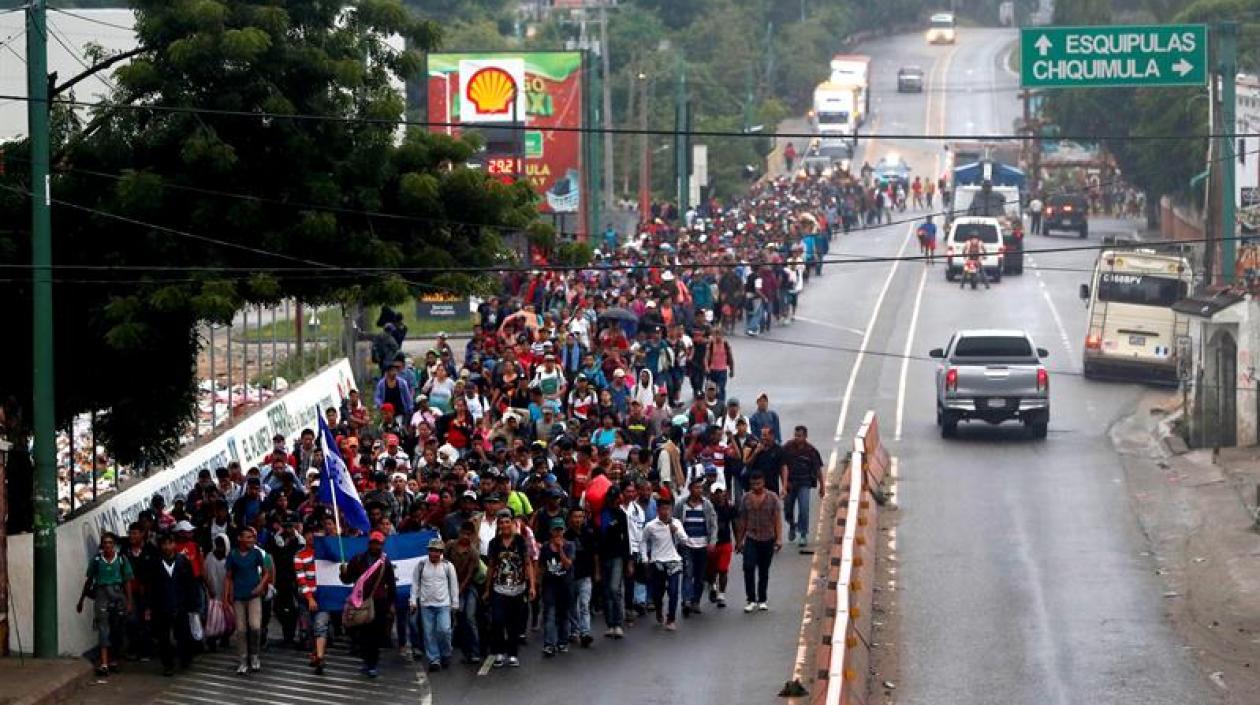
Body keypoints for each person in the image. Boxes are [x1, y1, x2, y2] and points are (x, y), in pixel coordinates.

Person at [339, 531, 398, 678]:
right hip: (360, 602)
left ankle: (372, 664)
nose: (375, 546)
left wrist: (391, 604)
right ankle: (366, 660)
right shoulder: (358, 560)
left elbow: (391, 585)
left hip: (379, 603)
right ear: (369, 543)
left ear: (382, 545)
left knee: (375, 634)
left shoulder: (385, 562)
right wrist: (343, 573)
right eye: (373, 543)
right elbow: (347, 580)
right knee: (361, 633)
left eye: (378, 543)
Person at [484, 509, 536, 669]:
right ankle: (499, 652)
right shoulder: (494, 543)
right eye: (501, 523)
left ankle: (513, 654)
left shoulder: (520, 541)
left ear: (512, 523)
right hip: (499, 589)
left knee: (514, 623)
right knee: (498, 621)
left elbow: (527, 564)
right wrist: (487, 589)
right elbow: (491, 567)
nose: (504, 525)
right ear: (498, 525)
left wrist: (532, 586)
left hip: (518, 589)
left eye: (507, 522)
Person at [77, 532, 133, 678]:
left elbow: (127, 581)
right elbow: (89, 581)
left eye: (110, 542)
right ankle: (104, 663)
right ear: (102, 545)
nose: (107, 545)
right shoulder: (96, 561)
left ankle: (114, 660)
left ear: (114, 545)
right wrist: (81, 599)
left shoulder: (121, 559)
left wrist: (129, 601)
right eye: (105, 542)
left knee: (117, 629)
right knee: (103, 629)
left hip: (118, 596)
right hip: (101, 595)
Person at [147, 532, 198, 676]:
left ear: (174, 544)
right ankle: (167, 664)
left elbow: (191, 584)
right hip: (162, 606)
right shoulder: (155, 564)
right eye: (164, 544)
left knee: (183, 635)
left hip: (180, 605)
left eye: (170, 543)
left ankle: (185, 659)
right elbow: (152, 587)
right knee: (164, 638)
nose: (167, 547)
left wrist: (192, 604)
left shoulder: (183, 561)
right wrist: (150, 607)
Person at [224, 526, 270, 675]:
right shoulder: (233, 555)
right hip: (238, 596)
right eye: (248, 537)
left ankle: (255, 655)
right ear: (240, 538)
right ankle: (243, 660)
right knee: (241, 629)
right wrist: (226, 597)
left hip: (254, 596)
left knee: (255, 626)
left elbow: (266, 572)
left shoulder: (256, 554)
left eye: (253, 537)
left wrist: (261, 586)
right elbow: (228, 577)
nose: (252, 540)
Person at [736, 470, 783, 612]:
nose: (756, 486)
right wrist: (739, 540)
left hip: (768, 538)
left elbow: (777, 519)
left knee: (763, 570)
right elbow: (742, 521)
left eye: (759, 483)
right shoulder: (746, 499)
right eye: (753, 484)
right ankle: (751, 599)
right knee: (748, 567)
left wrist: (779, 538)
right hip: (751, 537)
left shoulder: (773, 498)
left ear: (763, 482)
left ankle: (762, 599)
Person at [412, 537, 459, 672]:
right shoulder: (421, 565)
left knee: (444, 630)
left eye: (437, 551)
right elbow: (415, 583)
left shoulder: (447, 566)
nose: (434, 554)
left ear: (441, 552)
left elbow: (454, 585)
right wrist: (413, 601)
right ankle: (434, 659)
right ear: (428, 551)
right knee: (429, 634)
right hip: (426, 605)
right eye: (432, 551)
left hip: (443, 604)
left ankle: (445, 654)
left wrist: (455, 604)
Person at [642, 500, 688, 631]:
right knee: (658, 592)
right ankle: (658, 609)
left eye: (668, 509)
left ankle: (671, 618)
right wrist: (645, 559)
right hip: (657, 562)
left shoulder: (676, 523)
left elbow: (685, 540)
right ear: (658, 510)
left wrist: (676, 531)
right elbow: (643, 541)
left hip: (673, 561)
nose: (666, 512)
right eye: (663, 509)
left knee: (673, 592)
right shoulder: (650, 526)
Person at [675, 478, 717, 617]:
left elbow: (712, 524)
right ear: (690, 489)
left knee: (699, 575)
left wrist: (712, 542)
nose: (699, 490)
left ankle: (695, 601)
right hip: (687, 545)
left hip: (703, 545)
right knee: (688, 572)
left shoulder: (707, 505)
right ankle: (686, 600)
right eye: (696, 487)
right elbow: (676, 523)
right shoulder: (681, 504)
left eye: (700, 487)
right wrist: (678, 541)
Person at [445, 522, 483, 664]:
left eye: (468, 534)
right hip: (449, 586)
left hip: (468, 588)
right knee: (458, 618)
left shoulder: (473, 552)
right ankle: (463, 651)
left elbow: (470, 575)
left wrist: (459, 590)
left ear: (472, 536)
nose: (465, 537)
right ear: (459, 532)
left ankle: (474, 652)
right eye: (463, 533)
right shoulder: (450, 546)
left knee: (470, 617)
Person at [783, 425, 826, 548]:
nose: (797, 438)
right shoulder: (787, 447)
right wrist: (784, 484)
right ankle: (792, 525)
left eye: (800, 436)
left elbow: (818, 470)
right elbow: (781, 464)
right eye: (795, 435)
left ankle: (803, 533)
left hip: (804, 484)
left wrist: (822, 486)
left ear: (805, 436)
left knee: (804, 508)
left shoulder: (811, 451)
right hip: (790, 484)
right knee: (787, 508)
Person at [539, 516, 575, 657]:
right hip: (550, 585)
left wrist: (560, 550)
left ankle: (562, 642)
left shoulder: (570, 546)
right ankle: (549, 644)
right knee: (550, 614)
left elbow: (567, 565)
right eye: (556, 530)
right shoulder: (545, 547)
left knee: (563, 615)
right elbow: (541, 566)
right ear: (551, 531)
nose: (558, 533)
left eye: (560, 530)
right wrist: (537, 583)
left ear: (564, 530)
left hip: (565, 585)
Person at [565, 507, 599, 647]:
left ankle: (585, 632)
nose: (578, 520)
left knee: (584, 604)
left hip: (585, 575)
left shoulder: (589, 534)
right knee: (572, 605)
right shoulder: (566, 536)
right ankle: (574, 630)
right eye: (575, 516)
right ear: (570, 519)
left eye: (580, 516)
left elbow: (595, 554)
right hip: (571, 576)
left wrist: (597, 572)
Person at [706, 486, 737, 607]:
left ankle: (721, 595)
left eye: (721, 493)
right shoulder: (707, 507)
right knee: (710, 570)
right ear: (711, 494)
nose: (719, 496)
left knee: (723, 569)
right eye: (716, 493)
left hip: (725, 543)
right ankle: (712, 585)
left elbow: (734, 523)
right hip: (711, 544)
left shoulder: (729, 507)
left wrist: (739, 541)